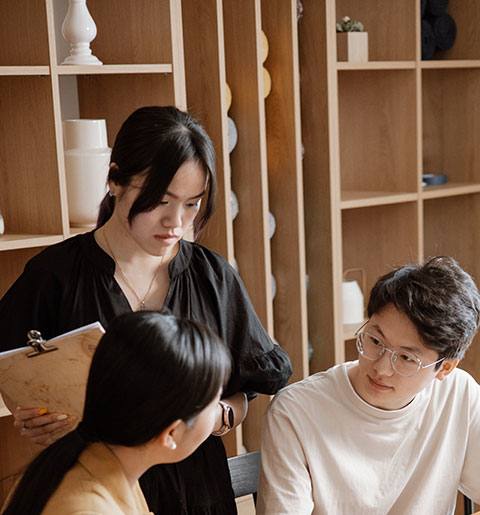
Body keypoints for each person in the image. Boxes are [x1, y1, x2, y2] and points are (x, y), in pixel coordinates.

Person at [0, 105, 292, 514]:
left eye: (192, 204)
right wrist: (34, 413)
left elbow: (249, 385)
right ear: (115, 180)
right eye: (160, 200)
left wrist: (218, 415)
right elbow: (13, 366)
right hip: (98, 487)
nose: (176, 222)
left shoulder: (211, 276)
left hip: (195, 490)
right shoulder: (57, 275)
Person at [258, 256, 480, 514]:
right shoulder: (296, 412)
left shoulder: (459, 395)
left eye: (406, 358)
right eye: (375, 341)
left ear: (445, 368)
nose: (381, 368)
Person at [1, 310, 231, 515]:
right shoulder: (88, 507)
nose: (218, 409)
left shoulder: (98, 463)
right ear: (171, 433)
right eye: (214, 401)